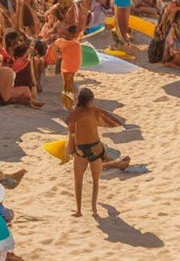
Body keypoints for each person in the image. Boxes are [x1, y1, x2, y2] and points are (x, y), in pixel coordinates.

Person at [65, 88, 125, 218]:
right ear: (90, 100)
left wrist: (69, 150)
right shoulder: (94, 111)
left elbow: (72, 133)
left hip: (81, 150)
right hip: (96, 148)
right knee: (95, 181)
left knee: (78, 181)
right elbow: (109, 120)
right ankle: (94, 210)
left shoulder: (75, 114)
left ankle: (79, 210)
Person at [47, 23, 83, 110]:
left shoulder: (62, 42)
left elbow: (54, 47)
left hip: (67, 66)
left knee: (67, 85)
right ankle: (68, 104)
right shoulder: (75, 43)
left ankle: (68, 104)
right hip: (71, 67)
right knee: (69, 85)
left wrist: (58, 55)